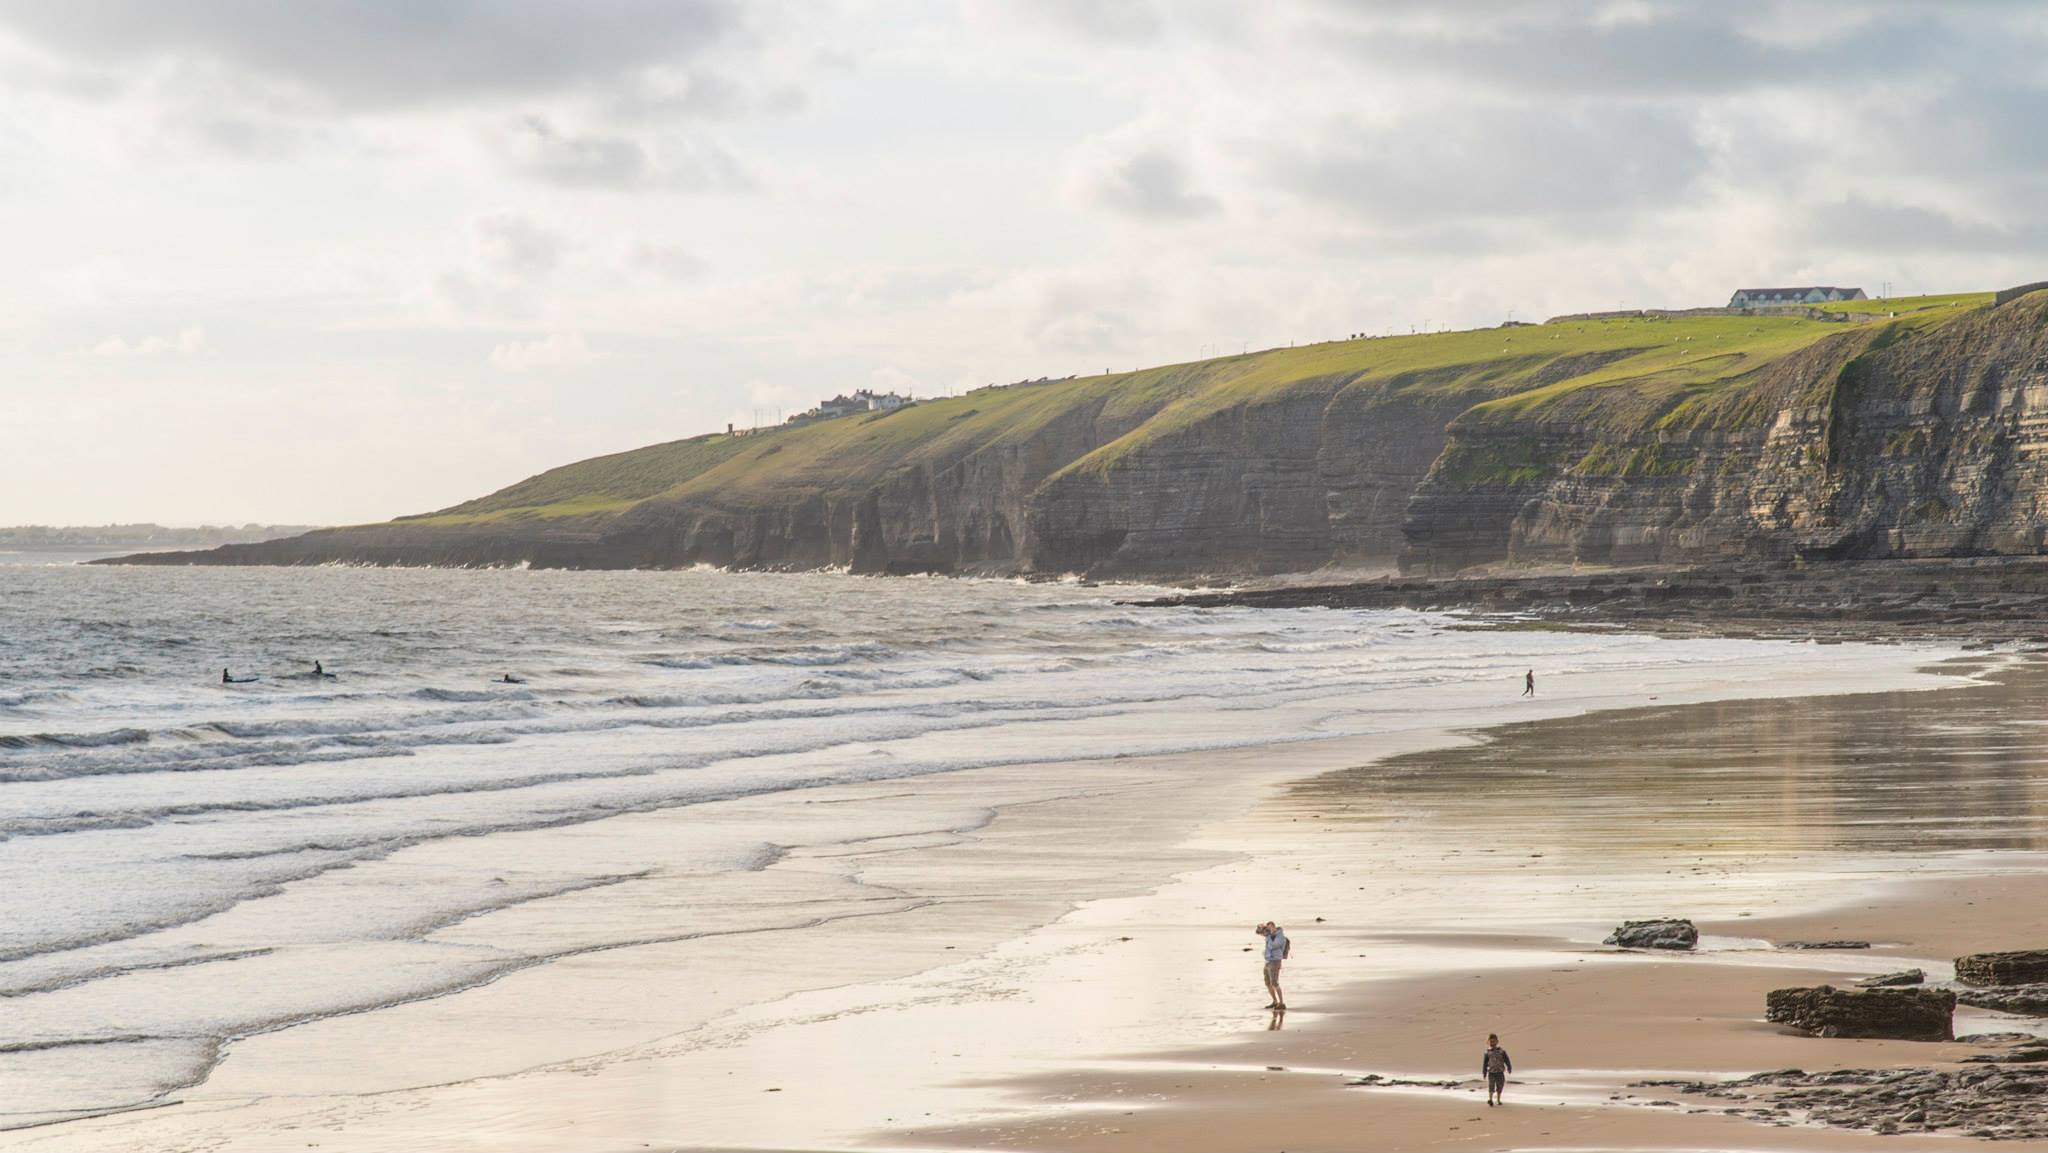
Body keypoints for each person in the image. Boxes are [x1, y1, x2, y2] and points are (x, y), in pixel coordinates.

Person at [1255, 921, 1290, 1010]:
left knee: (1275, 983)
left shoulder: (1280, 937)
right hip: (1268, 960)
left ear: (1274, 927)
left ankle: (1281, 1003)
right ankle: (1275, 1001)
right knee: (1268, 983)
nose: (1269, 930)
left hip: (1275, 961)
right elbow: (1258, 932)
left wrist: (1268, 936)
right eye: (1268, 928)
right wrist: (1261, 928)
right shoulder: (1270, 936)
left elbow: (1273, 946)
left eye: (1270, 928)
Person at [1482, 1033, 1513, 1105]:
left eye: (1494, 1041)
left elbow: (1506, 1059)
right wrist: (1484, 1072)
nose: (1492, 1043)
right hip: (1491, 1072)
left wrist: (1509, 1067)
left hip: (1500, 1072)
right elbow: (1485, 1063)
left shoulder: (1502, 1051)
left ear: (1497, 1041)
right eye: (1491, 1042)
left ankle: (1498, 1100)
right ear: (1488, 1042)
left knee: (1500, 1086)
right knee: (1491, 1086)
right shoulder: (1487, 1052)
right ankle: (1490, 1099)